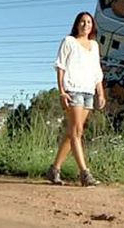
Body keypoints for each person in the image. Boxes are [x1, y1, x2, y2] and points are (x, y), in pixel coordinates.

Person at [45, 12, 106, 187]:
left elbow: (97, 72)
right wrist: (62, 92)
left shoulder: (94, 46)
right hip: (73, 90)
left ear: (92, 26)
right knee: (76, 131)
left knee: (72, 132)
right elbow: (60, 67)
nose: (85, 25)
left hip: (88, 92)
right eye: (82, 22)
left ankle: (54, 169)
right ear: (76, 24)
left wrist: (100, 93)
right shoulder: (69, 42)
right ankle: (84, 173)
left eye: (88, 22)